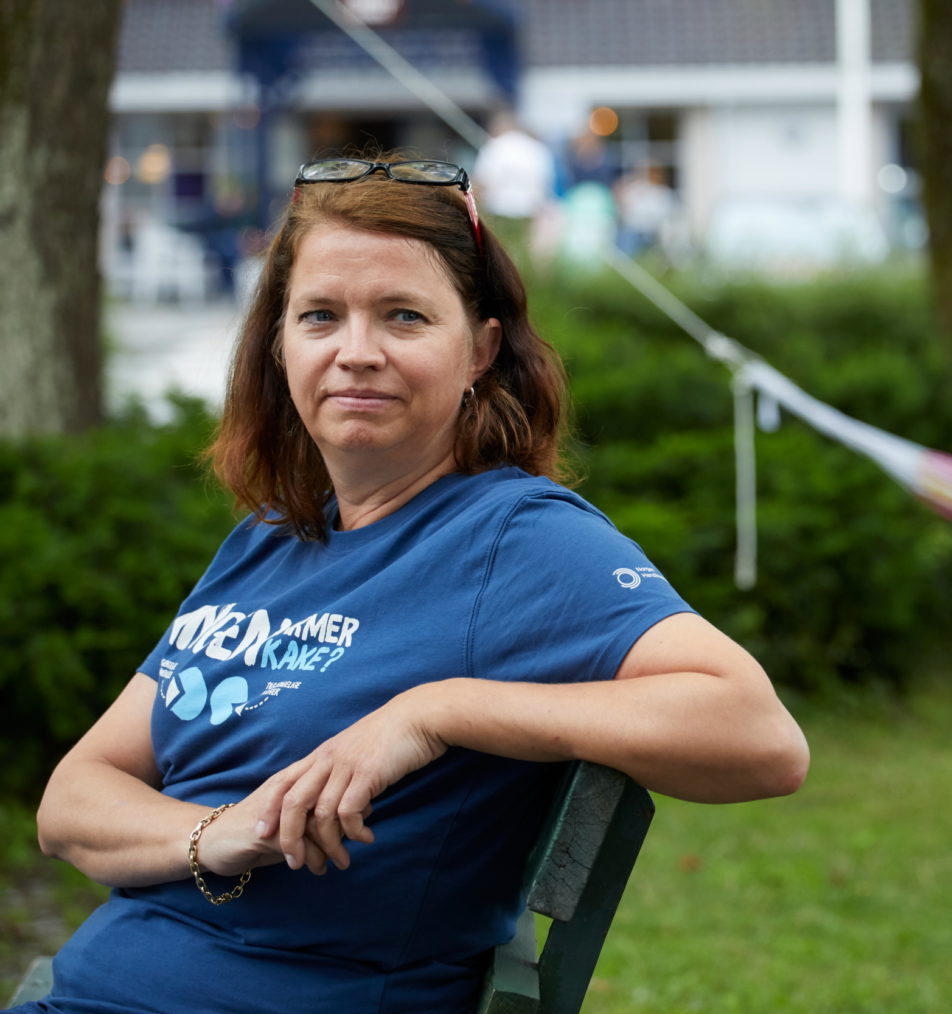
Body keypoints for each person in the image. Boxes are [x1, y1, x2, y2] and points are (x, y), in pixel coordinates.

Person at [11, 155, 808, 1014]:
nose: (357, 353)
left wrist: (438, 711)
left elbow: (760, 738)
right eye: (320, 316)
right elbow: (71, 803)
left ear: (479, 350)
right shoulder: (268, 540)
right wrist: (220, 834)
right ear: (280, 345)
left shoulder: (516, 540)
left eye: (403, 316)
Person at [470, 108, 556, 257]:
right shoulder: (538, 149)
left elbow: (482, 182)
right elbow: (546, 184)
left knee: (499, 254)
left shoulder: (495, 146)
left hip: (498, 211)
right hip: (528, 212)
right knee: (523, 253)